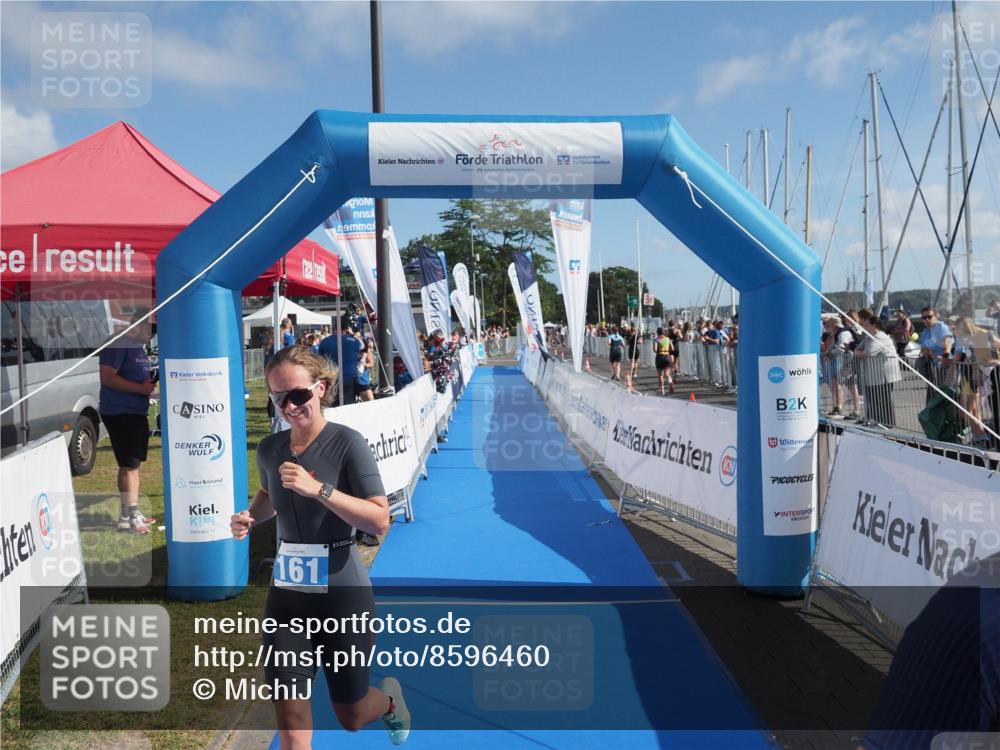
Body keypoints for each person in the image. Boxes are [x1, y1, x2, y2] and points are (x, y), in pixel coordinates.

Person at [230, 346, 410, 747]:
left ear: (321, 388)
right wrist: (249, 517)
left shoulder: (348, 444)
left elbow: (380, 520)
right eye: (278, 398)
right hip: (287, 602)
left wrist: (321, 490)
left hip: (342, 598)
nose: (289, 407)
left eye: (297, 395)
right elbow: (270, 495)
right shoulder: (270, 449)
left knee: (351, 714)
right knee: (292, 722)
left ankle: (390, 703)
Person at [99, 309, 158, 534]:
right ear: (138, 324)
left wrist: (145, 387)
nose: (151, 336)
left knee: (133, 464)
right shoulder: (118, 342)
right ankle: (130, 515)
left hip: (135, 410)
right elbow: (107, 377)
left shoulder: (136, 347)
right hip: (120, 411)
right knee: (129, 464)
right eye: (150, 331)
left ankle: (129, 513)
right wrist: (139, 388)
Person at [854, 310, 900, 427]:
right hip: (873, 376)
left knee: (883, 400)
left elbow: (868, 352)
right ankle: (876, 420)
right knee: (873, 399)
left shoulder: (881, 337)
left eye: (866, 325)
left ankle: (888, 423)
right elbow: (856, 350)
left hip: (884, 376)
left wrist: (860, 353)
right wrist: (860, 352)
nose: (864, 327)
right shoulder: (868, 337)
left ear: (874, 325)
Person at [317, 321, 363, 406]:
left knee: (331, 407)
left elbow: (320, 361)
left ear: (334, 328)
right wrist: (352, 334)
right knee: (349, 406)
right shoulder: (354, 341)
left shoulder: (324, 342)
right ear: (346, 329)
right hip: (349, 379)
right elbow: (362, 346)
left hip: (332, 379)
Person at [653, 327, 675, 396]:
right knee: (667, 374)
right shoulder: (668, 339)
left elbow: (655, 350)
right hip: (667, 357)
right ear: (663, 332)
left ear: (658, 333)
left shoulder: (656, 340)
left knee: (660, 375)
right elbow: (673, 348)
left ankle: (662, 390)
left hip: (659, 357)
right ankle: (670, 383)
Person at [355, 338, 375, 403]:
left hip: (363, 380)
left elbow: (371, 364)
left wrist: (364, 365)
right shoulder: (352, 348)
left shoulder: (366, 351)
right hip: (353, 379)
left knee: (370, 402)